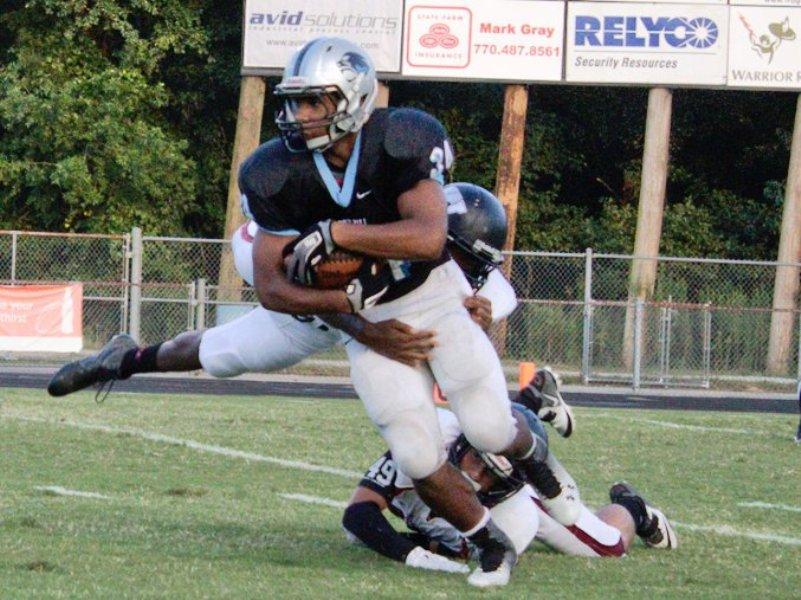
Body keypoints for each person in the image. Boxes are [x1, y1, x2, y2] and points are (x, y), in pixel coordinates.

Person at [239, 35, 584, 587]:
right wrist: (347, 312)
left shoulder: (401, 137)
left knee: (490, 427)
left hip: (431, 295)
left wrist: (339, 234)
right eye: (294, 101)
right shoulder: (272, 172)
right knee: (415, 449)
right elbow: (272, 287)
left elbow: (427, 238)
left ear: (351, 98)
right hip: (368, 319)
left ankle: (535, 460)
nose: (297, 115)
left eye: (313, 102)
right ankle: (489, 544)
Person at [342, 402, 677, 573]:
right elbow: (358, 513)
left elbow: (462, 551)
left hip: (525, 506)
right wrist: (412, 554)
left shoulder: (514, 511)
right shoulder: (432, 440)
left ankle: (635, 508)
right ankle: (534, 396)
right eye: (475, 456)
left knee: (611, 547)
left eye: (490, 473)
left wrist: (421, 547)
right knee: (363, 538)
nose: (473, 473)